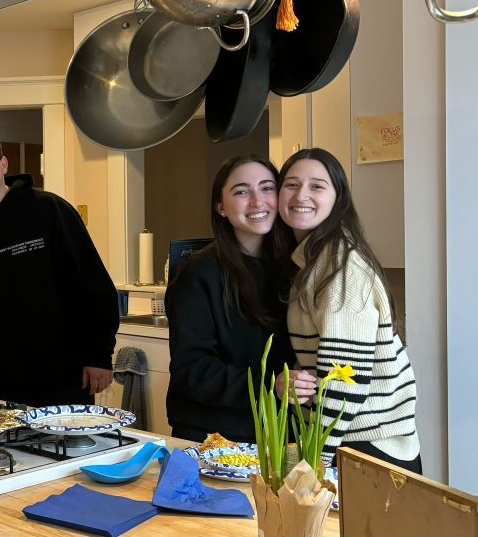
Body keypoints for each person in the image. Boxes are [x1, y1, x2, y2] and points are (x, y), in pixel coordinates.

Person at [0, 127, 118, 406]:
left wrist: (99, 355)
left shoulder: (49, 209)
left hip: (64, 371)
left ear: (3, 164)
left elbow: (93, 283)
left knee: (69, 449)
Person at [276, 148, 421, 473]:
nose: (302, 195)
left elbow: (345, 383)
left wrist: (313, 463)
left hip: (367, 451)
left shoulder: (340, 269)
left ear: (337, 198)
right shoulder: (314, 260)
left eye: (317, 186)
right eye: (292, 184)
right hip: (353, 441)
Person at [164, 154, 296, 443]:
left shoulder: (295, 269)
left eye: (266, 187)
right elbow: (192, 370)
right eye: (241, 191)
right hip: (214, 436)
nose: (257, 201)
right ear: (220, 207)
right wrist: (271, 384)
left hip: (280, 433)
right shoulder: (198, 273)